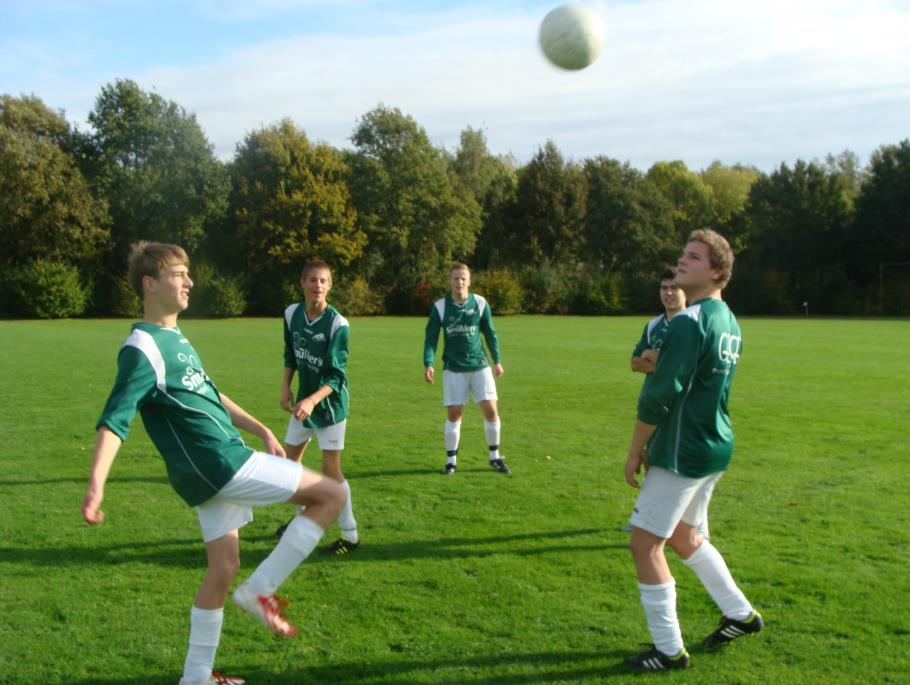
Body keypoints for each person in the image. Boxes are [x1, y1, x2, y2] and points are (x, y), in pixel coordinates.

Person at [81, 242, 346, 685]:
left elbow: (208, 392)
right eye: (178, 275)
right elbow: (115, 420)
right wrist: (96, 485)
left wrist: (260, 427)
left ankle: (196, 677)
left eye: (188, 275)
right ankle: (262, 591)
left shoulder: (174, 338)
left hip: (207, 470)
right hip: (220, 463)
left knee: (222, 569)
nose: (189, 282)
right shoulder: (142, 348)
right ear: (149, 284)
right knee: (332, 494)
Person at [623, 229, 763, 672]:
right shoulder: (729, 320)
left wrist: (635, 449)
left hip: (684, 450)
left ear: (717, 272)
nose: (681, 262)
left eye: (694, 257)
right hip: (713, 445)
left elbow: (660, 393)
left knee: (645, 544)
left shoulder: (689, 320)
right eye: (683, 254)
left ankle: (667, 650)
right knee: (685, 536)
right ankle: (741, 614)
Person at [275, 260, 359, 555]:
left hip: (330, 407)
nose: (317, 286)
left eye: (323, 281)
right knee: (287, 463)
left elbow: (336, 376)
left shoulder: (338, 325)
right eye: (312, 280)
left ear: (330, 286)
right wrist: (287, 386)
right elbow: (291, 352)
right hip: (302, 404)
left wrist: (312, 400)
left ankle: (350, 536)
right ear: (302, 283)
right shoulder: (291, 314)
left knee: (330, 469)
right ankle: (305, 518)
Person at [423, 262, 509, 475]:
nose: (459, 282)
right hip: (453, 368)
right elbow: (431, 339)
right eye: (456, 278)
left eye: (463, 278)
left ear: (469, 281)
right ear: (450, 281)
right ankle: (451, 461)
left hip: (479, 366)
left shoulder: (480, 303)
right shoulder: (440, 307)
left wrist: (497, 360)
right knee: (454, 414)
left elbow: (490, 333)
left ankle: (494, 456)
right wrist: (428, 363)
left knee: (491, 410)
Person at [620, 267, 687, 532]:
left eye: (674, 287)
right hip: (651, 400)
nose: (669, 293)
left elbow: (687, 369)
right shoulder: (654, 325)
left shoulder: (691, 323)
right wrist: (659, 361)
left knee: (674, 466)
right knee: (648, 457)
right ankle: (646, 517)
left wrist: (654, 356)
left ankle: (683, 524)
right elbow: (635, 363)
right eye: (664, 288)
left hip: (679, 406)